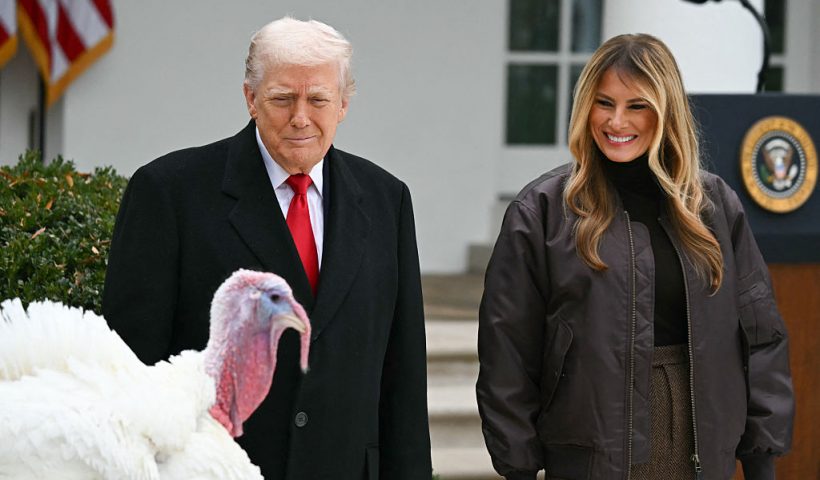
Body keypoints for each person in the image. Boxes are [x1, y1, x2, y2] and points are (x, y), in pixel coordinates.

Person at [103, 16, 432, 480]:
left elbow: (403, 379)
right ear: (250, 98)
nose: (301, 117)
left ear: (343, 103)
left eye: (318, 99)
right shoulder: (169, 194)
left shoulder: (386, 199)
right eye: (282, 98)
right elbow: (131, 373)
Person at [476, 33, 794, 480]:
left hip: (701, 449)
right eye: (604, 103)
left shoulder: (713, 206)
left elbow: (761, 337)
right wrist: (518, 465)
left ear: (666, 112)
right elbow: (506, 352)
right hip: (590, 456)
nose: (616, 120)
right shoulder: (542, 211)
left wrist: (761, 459)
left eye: (637, 105)